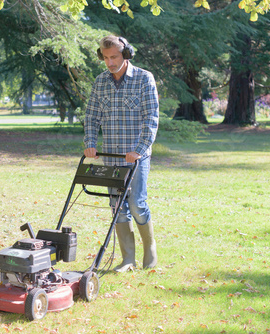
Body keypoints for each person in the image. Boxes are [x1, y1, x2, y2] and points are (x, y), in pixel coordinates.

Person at [84, 35, 159, 272]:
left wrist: (139, 149)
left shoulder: (144, 79)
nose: (110, 62)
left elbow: (151, 118)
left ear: (126, 54)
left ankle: (150, 250)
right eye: (105, 58)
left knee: (136, 204)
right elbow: (92, 116)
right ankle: (128, 259)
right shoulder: (100, 82)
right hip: (112, 156)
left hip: (137, 155)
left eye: (114, 57)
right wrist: (90, 142)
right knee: (117, 205)